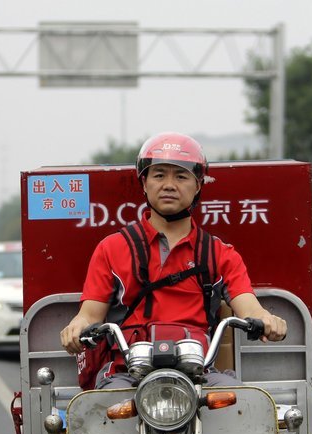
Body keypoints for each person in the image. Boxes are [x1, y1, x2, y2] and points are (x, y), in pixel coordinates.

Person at [60, 132, 287, 389]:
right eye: (159, 175)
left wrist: (267, 319)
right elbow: (89, 315)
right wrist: (76, 326)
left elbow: (250, 308)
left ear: (198, 184)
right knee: (104, 418)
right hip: (126, 373)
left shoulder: (220, 253)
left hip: (199, 375)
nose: (169, 184)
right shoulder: (111, 248)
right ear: (144, 183)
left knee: (240, 407)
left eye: (181, 176)